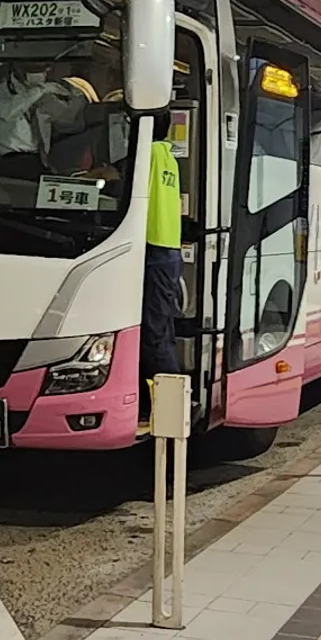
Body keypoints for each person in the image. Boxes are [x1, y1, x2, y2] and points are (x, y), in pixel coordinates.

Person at [140, 109, 182, 419]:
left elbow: (116, 174)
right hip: (168, 251)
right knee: (162, 332)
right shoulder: (169, 155)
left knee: (153, 337)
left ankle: (170, 413)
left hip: (154, 251)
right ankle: (163, 406)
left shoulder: (150, 153)